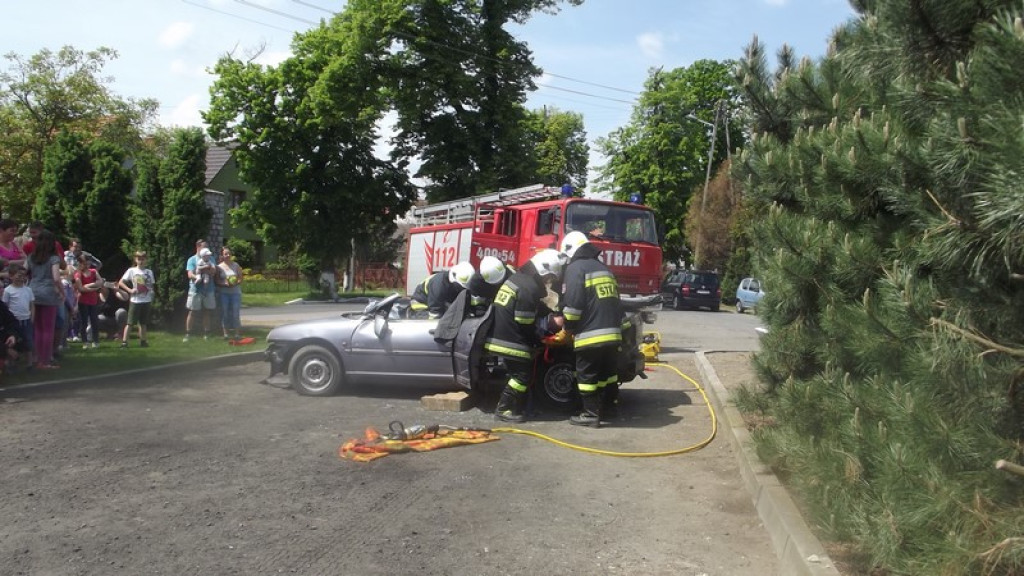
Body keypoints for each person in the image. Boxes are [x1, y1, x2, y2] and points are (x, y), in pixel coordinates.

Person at [484, 249, 565, 423]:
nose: (548, 281)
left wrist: (550, 313)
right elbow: (525, 322)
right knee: (522, 376)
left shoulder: (520, 280)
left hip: (502, 335)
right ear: (543, 270)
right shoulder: (528, 287)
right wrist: (538, 342)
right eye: (548, 277)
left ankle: (519, 408)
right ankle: (503, 409)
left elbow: (534, 307)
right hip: (510, 340)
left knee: (518, 374)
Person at [560, 230, 624, 427]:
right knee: (607, 374)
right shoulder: (604, 268)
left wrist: (568, 328)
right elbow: (616, 302)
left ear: (570, 250)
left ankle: (589, 415)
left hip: (590, 335)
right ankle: (609, 408)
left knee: (586, 375)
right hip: (613, 334)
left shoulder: (576, 268)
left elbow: (573, 306)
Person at [27, 230, 64, 369]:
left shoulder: (31, 257)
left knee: (37, 328)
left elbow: (24, 270)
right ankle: (46, 360)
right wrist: (62, 292)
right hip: (48, 293)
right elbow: (56, 278)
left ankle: (36, 358)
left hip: (33, 291)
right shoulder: (54, 258)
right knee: (48, 329)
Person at [409, 261, 474, 319]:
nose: (462, 289)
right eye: (461, 286)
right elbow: (435, 312)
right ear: (454, 277)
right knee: (436, 318)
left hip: (436, 305)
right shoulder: (439, 285)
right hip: (421, 306)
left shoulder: (453, 284)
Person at [118, 250, 155, 349]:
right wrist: (130, 290)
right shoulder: (132, 271)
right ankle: (124, 342)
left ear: (146, 260)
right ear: (135, 260)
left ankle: (143, 341)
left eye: (143, 259)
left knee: (143, 323)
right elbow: (121, 282)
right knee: (130, 322)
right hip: (136, 300)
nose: (141, 261)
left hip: (146, 300)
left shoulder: (149, 272)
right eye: (139, 259)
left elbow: (151, 286)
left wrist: (151, 292)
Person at [2, 263, 34, 371]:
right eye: (19, 275)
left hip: (26, 320)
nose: (21, 278)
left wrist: (32, 317)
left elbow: (32, 305)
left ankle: (29, 364)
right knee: (13, 342)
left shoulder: (28, 290)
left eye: (23, 275)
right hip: (14, 321)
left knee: (28, 341)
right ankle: (11, 364)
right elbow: (5, 307)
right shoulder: (8, 290)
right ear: (11, 276)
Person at [184, 240, 217, 341]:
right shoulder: (192, 259)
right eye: (204, 247)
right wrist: (198, 278)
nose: (207, 249)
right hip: (195, 289)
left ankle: (206, 333)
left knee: (207, 311)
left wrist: (208, 270)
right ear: (198, 247)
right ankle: (188, 334)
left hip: (209, 289)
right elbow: (190, 274)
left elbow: (214, 272)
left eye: (207, 247)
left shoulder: (211, 258)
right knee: (192, 311)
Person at [73, 254, 103, 349]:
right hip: (83, 301)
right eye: (84, 263)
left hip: (93, 301)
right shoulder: (78, 274)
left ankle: (96, 341)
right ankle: (85, 342)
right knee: (84, 322)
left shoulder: (93, 271)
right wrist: (94, 288)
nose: (86, 265)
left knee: (95, 321)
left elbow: (100, 282)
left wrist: (89, 285)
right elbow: (81, 289)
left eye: (87, 263)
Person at [215, 246, 243, 340]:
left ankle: (237, 334)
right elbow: (217, 280)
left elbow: (240, 278)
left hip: (235, 293)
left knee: (235, 313)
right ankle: (226, 334)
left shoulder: (236, 265)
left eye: (229, 254)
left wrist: (235, 283)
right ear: (222, 256)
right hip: (224, 293)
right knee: (225, 312)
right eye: (225, 254)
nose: (227, 255)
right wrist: (224, 283)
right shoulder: (219, 267)